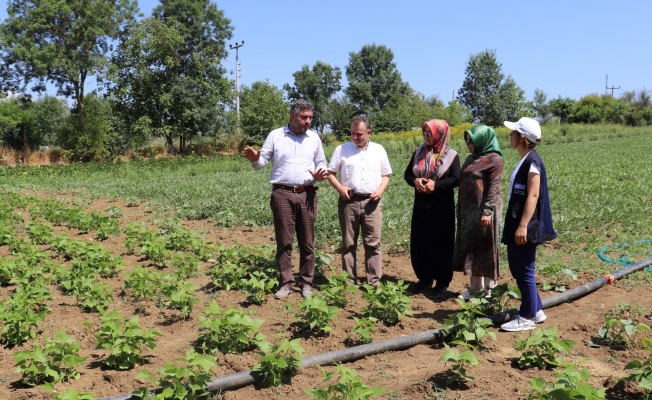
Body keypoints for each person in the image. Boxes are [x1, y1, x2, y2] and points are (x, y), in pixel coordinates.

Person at [241, 99, 329, 299]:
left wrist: (319, 173)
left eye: (310, 118)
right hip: (282, 194)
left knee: (307, 242)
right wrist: (254, 158)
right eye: (303, 117)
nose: (307, 121)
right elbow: (262, 162)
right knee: (284, 241)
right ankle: (287, 283)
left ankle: (306, 283)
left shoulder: (314, 138)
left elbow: (321, 162)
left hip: (307, 193)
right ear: (292, 117)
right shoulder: (275, 135)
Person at [500, 117, 558, 332]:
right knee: (518, 267)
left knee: (524, 269)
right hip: (518, 221)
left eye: (513, 132)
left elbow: (533, 195)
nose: (510, 135)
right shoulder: (525, 159)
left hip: (526, 224)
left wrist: (523, 225)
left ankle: (526, 317)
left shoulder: (532, 161)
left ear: (522, 138)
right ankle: (537, 309)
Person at [327, 116, 391, 287]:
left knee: (373, 243)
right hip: (349, 202)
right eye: (352, 134)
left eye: (359, 134)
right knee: (348, 243)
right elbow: (330, 173)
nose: (355, 137)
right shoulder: (342, 150)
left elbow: (386, 175)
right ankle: (349, 280)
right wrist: (340, 188)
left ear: (369, 133)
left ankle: (374, 281)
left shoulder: (379, 150)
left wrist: (380, 190)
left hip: (372, 203)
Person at [404, 119, 460, 295]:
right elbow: (407, 174)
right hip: (422, 207)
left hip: (441, 207)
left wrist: (436, 185)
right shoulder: (419, 152)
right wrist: (416, 181)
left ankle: (442, 281)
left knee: (441, 243)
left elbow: (456, 179)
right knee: (422, 242)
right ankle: (425, 277)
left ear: (440, 134)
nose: (426, 136)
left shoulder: (451, 156)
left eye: (430, 133)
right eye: (424, 132)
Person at [453, 125, 503, 299]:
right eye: (466, 139)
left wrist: (487, 211)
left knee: (487, 250)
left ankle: (490, 291)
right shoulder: (471, 158)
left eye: (471, 140)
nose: (468, 143)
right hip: (469, 213)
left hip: (485, 213)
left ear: (482, 140)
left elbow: (493, 188)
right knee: (473, 249)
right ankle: (475, 289)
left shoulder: (494, 160)